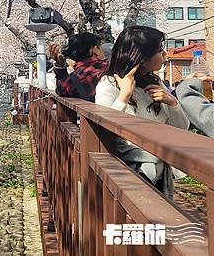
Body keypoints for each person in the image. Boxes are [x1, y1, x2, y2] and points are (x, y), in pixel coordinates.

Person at [95, 26, 189, 197]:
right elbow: (103, 130)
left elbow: (182, 129)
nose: (165, 54)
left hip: (160, 174)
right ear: (141, 56)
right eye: (159, 50)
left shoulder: (154, 83)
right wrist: (124, 96)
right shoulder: (108, 85)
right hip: (131, 175)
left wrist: (173, 103)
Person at [47, 32, 108, 102]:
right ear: (94, 49)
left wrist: (59, 64)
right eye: (100, 47)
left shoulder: (73, 80)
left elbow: (61, 89)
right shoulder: (109, 67)